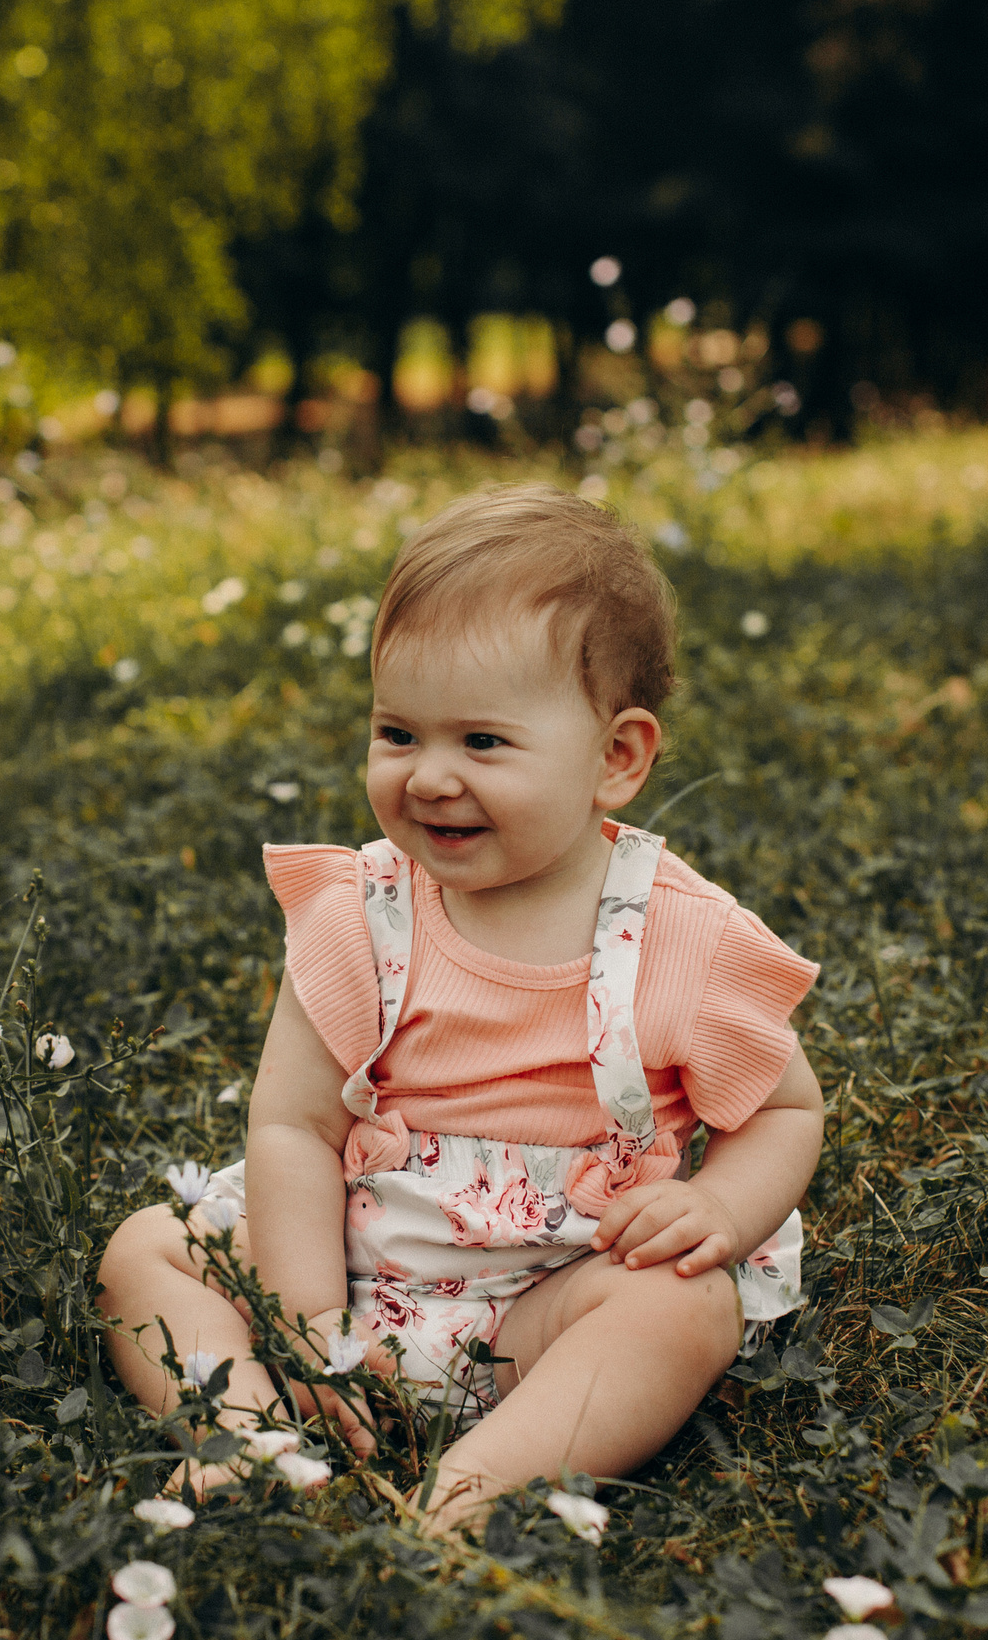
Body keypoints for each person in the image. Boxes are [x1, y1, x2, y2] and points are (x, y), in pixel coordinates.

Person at [94, 483, 825, 1536]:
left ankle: (477, 1485)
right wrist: (311, 1328)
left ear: (615, 758)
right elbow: (292, 1125)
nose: (429, 777)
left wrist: (719, 1211)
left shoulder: (682, 935)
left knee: (683, 1305)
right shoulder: (360, 913)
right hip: (350, 1270)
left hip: (552, 1303)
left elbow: (785, 1112)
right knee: (149, 1250)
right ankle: (244, 1440)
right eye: (398, 732)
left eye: (482, 742)